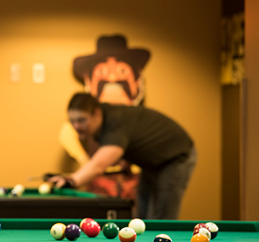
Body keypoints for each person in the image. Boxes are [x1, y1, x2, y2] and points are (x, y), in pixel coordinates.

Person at [48, 93, 196, 219]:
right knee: (142, 215)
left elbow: (98, 166)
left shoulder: (113, 122)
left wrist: (71, 181)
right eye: (72, 121)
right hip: (151, 163)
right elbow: (133, 136)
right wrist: (128, 159)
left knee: (162, 217)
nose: (76, 126)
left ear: (97, 114)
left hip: (175, 157)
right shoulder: (105, 120)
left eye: (81, 120)